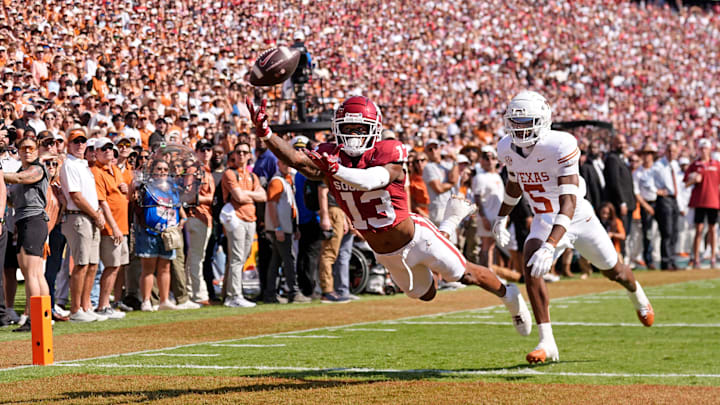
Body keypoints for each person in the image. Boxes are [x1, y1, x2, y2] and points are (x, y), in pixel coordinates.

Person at [246, 96, 531, 334]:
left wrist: (335, 170)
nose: (355, 135)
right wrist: (267, 133)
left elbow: (371, 180)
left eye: (360, 128)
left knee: (463, 274)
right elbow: (298, 161)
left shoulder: (388, 151)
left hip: (416, 237)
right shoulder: (331, 155)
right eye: (349, 128)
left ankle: (511, 298)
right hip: (386, 253)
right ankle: (448, 226)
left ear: (374, 129)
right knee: (426, 294)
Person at [492, 91, 654, 364]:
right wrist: (501, 216)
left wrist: (551, 245)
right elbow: (514, 183)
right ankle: (548, 343)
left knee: (616, 271)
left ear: (542, 120)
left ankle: (638, 296)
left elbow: (569, 200)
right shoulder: (506, 147)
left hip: (578, 216)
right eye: (515, 123)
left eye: (527, 122)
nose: (520, 129)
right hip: (544, 217)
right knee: (531, 265)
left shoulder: (561, 144)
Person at [60, 127, 108, 322]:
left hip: (89, 216)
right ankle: (75, 308)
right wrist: (96, 214)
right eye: (76, 141)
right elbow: (76, 196)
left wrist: (97, 214)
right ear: (68, 144)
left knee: (92, 263)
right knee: (81, 264)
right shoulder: (69, 165)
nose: (80, 145)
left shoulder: (83, 164)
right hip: (79, 216)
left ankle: (86, 305)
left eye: (82, 141)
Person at [3, 137, 47, 332]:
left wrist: (1, 174)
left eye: (31, 148)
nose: (27, 151)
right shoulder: (22, 170)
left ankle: (36, 319)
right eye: (24, 148)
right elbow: (13, 200)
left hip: (33, 220)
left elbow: (20, 179)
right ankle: (42, 318)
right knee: (35, 273)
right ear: (19, 151)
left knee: (32, 273)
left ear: (37, 151)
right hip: (24, 222)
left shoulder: (37, 169)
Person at [133, 158, 186, 311]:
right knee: (148, 268)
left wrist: (182, 220)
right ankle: (146, 301)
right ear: (153, 171)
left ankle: (164, 300)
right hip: (150, 232)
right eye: (159, 169)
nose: (162, 172)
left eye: (164, 169)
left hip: (168, 233)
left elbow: (177, 208)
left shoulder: (172, 189)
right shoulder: (146, 187)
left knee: (165, 267)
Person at [221, 142, 266, 308]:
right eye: (238, 152)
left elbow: (264, 196)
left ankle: (232, 293)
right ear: (234, 154)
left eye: (244, 152)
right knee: (237, 258)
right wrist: (251, 195)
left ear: (249, 155)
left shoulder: (252, 176)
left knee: (243, 256)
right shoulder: (230, 173)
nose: (241, 155)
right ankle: (234, 295)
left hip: (250, 218)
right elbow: (239, 197)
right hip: (237, 218)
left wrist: (247, 194)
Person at [90, 138, 129, 319]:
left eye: (110, 148)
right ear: (96, 152)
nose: (108, 151)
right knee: (110, 266)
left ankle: (106, 304)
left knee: (117, 266)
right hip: (112, 227)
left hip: (122, 225)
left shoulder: (115, 170)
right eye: (103, 149)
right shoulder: (97, 172)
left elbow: (120, 194)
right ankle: (102, 305)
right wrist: (113, 226)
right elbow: (102, 202)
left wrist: (125, 189)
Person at [264, 159, 310, 303]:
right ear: (278, 164)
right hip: (280, 228)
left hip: (286, 227)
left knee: (276, 261)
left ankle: (270, 294)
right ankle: (293, 292)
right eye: (284, 163)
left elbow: (291, 207)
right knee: (289, 260)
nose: (287, 166)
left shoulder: (287, 180)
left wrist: (294, 227)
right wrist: (277, 227)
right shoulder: (277, 181)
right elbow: (271, 205)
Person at [185, 139, 215, 305]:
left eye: (208, 150)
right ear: (196, 152)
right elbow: (188, 196)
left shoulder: (206, 170)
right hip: (196, 216)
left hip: (205, 217)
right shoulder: (194, 169)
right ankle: (198, 294)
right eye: (202, 150)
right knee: (196, 258)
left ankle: (191, 292)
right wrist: (210, 199)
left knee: (196, 257)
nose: (206, 153)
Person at [684, 138, 720, 269]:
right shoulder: (695, 165)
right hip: (699, 202)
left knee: (712, 230)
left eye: (706, 148)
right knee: (698, 230)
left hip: (714, 202)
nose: (704, 151)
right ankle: (696, 258)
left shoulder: (716, 164)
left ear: (710, 149)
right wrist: (693, 180)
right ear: (699, 150)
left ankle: (713, 257)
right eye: (702, 148)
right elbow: (685, 183)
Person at [603, 133, 636, 258]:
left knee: (625, 233)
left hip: (628, 203)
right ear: (614, 144)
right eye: (619, 142)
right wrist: (622, 202)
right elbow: (614, 182)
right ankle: (618, 259)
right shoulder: (612, 159)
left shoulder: (621, 159)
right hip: (620, 204)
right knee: (621, 232)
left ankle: (623, 258)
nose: (622, 145)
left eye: (623, 142)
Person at [652, 142, 681, 270]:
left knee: (674, 231)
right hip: (664, 199)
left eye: (674, 151)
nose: (671, 154)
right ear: (665, 151)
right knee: (667, 231)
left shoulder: (675, 165)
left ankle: (672, 259)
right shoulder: (658, 165)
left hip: (674, 199)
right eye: (669, 151)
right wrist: (655, 190)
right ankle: (666, 261)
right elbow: (645, 179)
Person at [632, 143, 659, 269]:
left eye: (649, 153)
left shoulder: (657, 170)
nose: (647, 156)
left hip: (659, 202)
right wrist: (646, 205)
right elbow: (636, 192)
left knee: (663, 231)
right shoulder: (638, 173)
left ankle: (663, 257)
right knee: (647, 233)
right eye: (645, 154)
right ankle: (648, 259)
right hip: (646, 203)